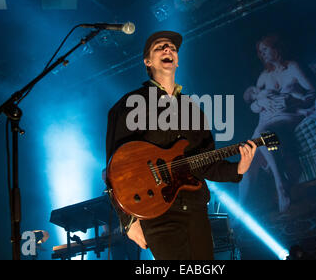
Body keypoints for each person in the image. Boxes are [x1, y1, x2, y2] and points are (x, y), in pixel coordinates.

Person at [104, 31, 257, 260]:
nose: (168, 49)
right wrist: (128, 221)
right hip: (156, 212)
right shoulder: (128, 105)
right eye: (160, 47)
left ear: (177, 60)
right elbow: (114, 169)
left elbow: (205, 162)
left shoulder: (193, 109)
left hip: (195, 207)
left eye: (172, 48)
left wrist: (238, 168)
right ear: (147, 61)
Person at [241, 34, 315, 213]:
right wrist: (260, 103)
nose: (263, 54)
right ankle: (239, 215)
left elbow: (312, 92)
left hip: (286, 116)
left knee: (261, 134)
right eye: (260, 52)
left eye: (265, 49)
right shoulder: (264, 76)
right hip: (265, 119)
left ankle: (280, 184)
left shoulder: (292, 68)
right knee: (248, 162)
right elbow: (252, 103)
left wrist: (291, 102)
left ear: (276, 48)